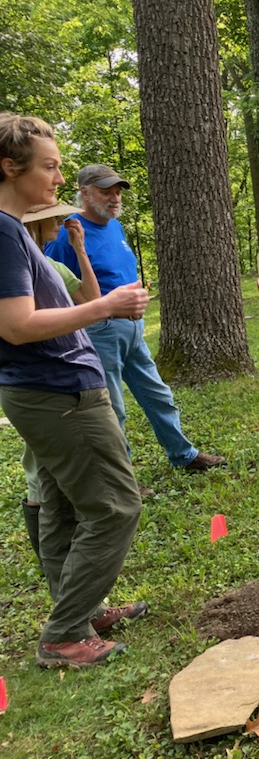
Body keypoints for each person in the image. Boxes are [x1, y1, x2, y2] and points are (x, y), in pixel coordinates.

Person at [0, 113, 150, 667]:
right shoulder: (1, 230)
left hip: (53, 387)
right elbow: (15, 326)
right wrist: (106, 306)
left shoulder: (13, 228)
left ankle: (80, 610)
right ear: (8, 167)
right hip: (56, 392)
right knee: (115, 508)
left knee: (64, 508)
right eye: (50, 166)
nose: (59, 177)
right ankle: (65, 634)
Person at [45, 164, 226, 474]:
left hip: (132, 330)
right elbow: (55, 284)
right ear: (84, 192)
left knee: (158, 395)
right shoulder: (68, 233)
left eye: (117, 190)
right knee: (113, 409)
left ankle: (183, 454)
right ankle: (121, 476)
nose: (115, 197)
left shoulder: (115, 226)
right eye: (106, 190)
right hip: (99, 332)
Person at [17, 202, 99, 564]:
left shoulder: (55, 266)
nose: (60, 222)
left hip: (60, 376)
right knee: (40, 469)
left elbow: (90, 297)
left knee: (47, 469)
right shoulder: (19, 266)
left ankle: (58, 566)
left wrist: (80, 250)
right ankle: (53, 562)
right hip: (40, 381)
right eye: (53, 216)